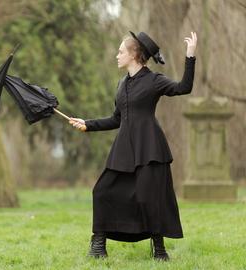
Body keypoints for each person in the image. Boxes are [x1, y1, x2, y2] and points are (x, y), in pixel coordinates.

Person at [69, 31, 197, 260]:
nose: (117, 55)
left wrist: (190, 56)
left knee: (149, 198)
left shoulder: (154, 80)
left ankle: (159, 250)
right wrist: (88, 124)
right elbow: (117, 119)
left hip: (150, 149)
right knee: (102, 191)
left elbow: (183, 87)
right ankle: (98, 246)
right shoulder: (121, 84)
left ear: (134, 55)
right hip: (125, 150)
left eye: (121, 51)